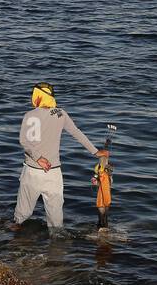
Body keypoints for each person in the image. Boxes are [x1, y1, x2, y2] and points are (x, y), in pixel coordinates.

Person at [12, 82, 108, 231]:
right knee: (56, 218)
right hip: (54, 173)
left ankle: (15, 243)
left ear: (37, 96)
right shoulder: (61, 113)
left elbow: (24, 141)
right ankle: (58, 249)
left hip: (32, 171)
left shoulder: (29, 115)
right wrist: (95, 152)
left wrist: (38, 158)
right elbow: (76, 133)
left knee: (21, 215)